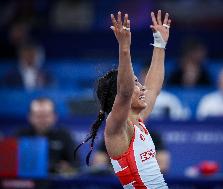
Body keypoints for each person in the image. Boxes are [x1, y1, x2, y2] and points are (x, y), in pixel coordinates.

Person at [75, 11, 170, 188]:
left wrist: (160, 44)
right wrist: (124, 48)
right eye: (136, 83)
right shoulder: (116, 126)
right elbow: (125, 92)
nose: (142, 87)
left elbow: (154, 87)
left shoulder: (137, 122)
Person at [16, 98, 78, 175]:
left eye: (46, 116)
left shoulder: (64, 135)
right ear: (30, 117)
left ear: (55, 116)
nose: (42, 120)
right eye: (38, 116)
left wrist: (68, 167)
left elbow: (77, 163)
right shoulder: (20, 135)